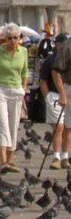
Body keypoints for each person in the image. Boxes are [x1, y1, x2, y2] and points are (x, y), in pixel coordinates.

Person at [0, 23, 29, 174]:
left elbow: (25, 72)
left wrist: (23, 88)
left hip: (16, 91)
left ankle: (10, 160)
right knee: (2, 124)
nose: (13, 41)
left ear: (20, 38)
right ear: (4, 39)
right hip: (0, 90)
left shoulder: (24, 52)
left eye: (16, 38)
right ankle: (3, 162)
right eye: (10, 38)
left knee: (14, 125)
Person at [41, 34, 68, 169]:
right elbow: (43, 81)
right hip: (54, 96)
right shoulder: (50, 60)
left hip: (68, 95)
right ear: (57, 44)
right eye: (63, 43)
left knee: (67, 128)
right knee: (59, 127)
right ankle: (56, 156)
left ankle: (65, 157)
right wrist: (47, 97)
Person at [51, 31, 71, 168]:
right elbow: (56, 70)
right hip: (69, 86)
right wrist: (62, 93)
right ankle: (62, 156)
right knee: (67, 126)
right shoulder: (67, 47)